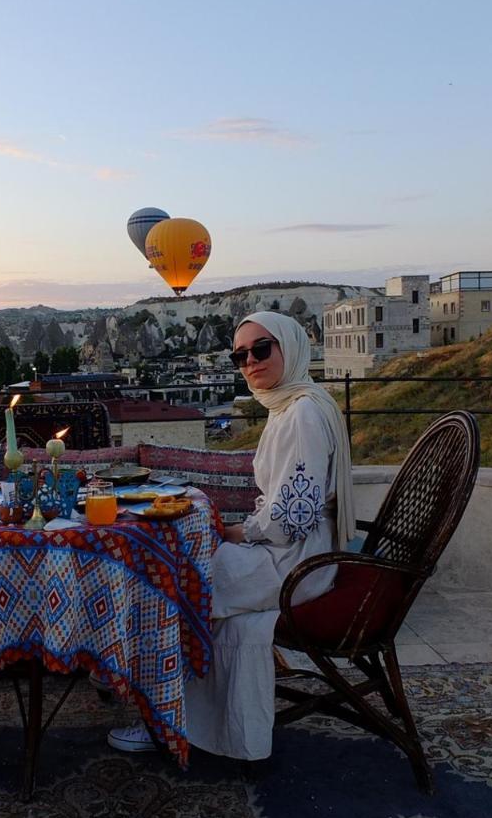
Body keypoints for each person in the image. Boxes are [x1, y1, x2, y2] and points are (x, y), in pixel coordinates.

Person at [108, 310, 356, 761]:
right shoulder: (294, 405)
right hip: (298, 554)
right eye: (240, 355)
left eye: (262, 349)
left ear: (292, 347)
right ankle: (182, 711)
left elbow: (293, 518)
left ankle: (160, 715)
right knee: (182, 573)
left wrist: (239, 531)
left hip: (297, 563)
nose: (250, 362)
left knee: (168, 586)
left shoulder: (301, 414)